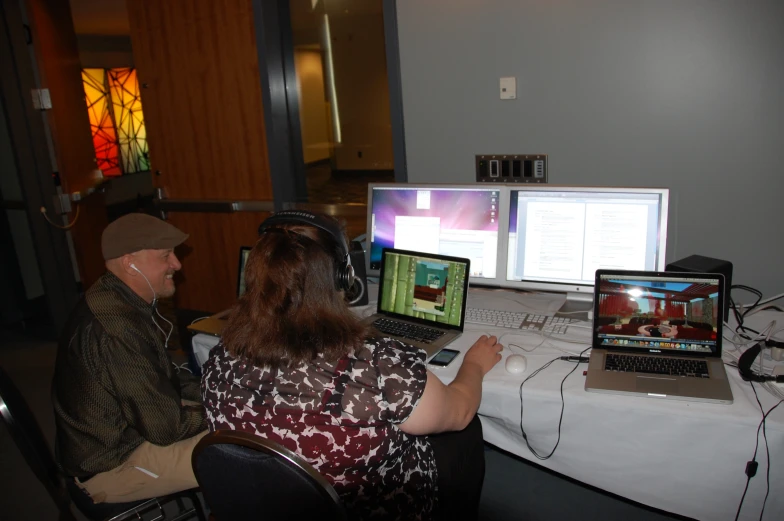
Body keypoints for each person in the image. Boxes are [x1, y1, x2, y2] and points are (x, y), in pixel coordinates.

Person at [201, 211, 503, 520]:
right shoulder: (372, 366)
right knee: (465, 431)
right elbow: (460, 411)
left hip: (265, 507)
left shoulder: (219, 358)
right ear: (343, 277)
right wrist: (474, 366)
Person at [52, 213, 207, 507]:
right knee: (246, 448)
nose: (177, 264)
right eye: (166, 256)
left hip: (120, 433)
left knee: (238, 425)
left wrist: (213, 391)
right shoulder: (117, 331)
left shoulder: (112, 297)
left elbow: (164, 379)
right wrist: (225, 408)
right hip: (110, 467)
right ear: (130, 263)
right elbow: (166, 430)